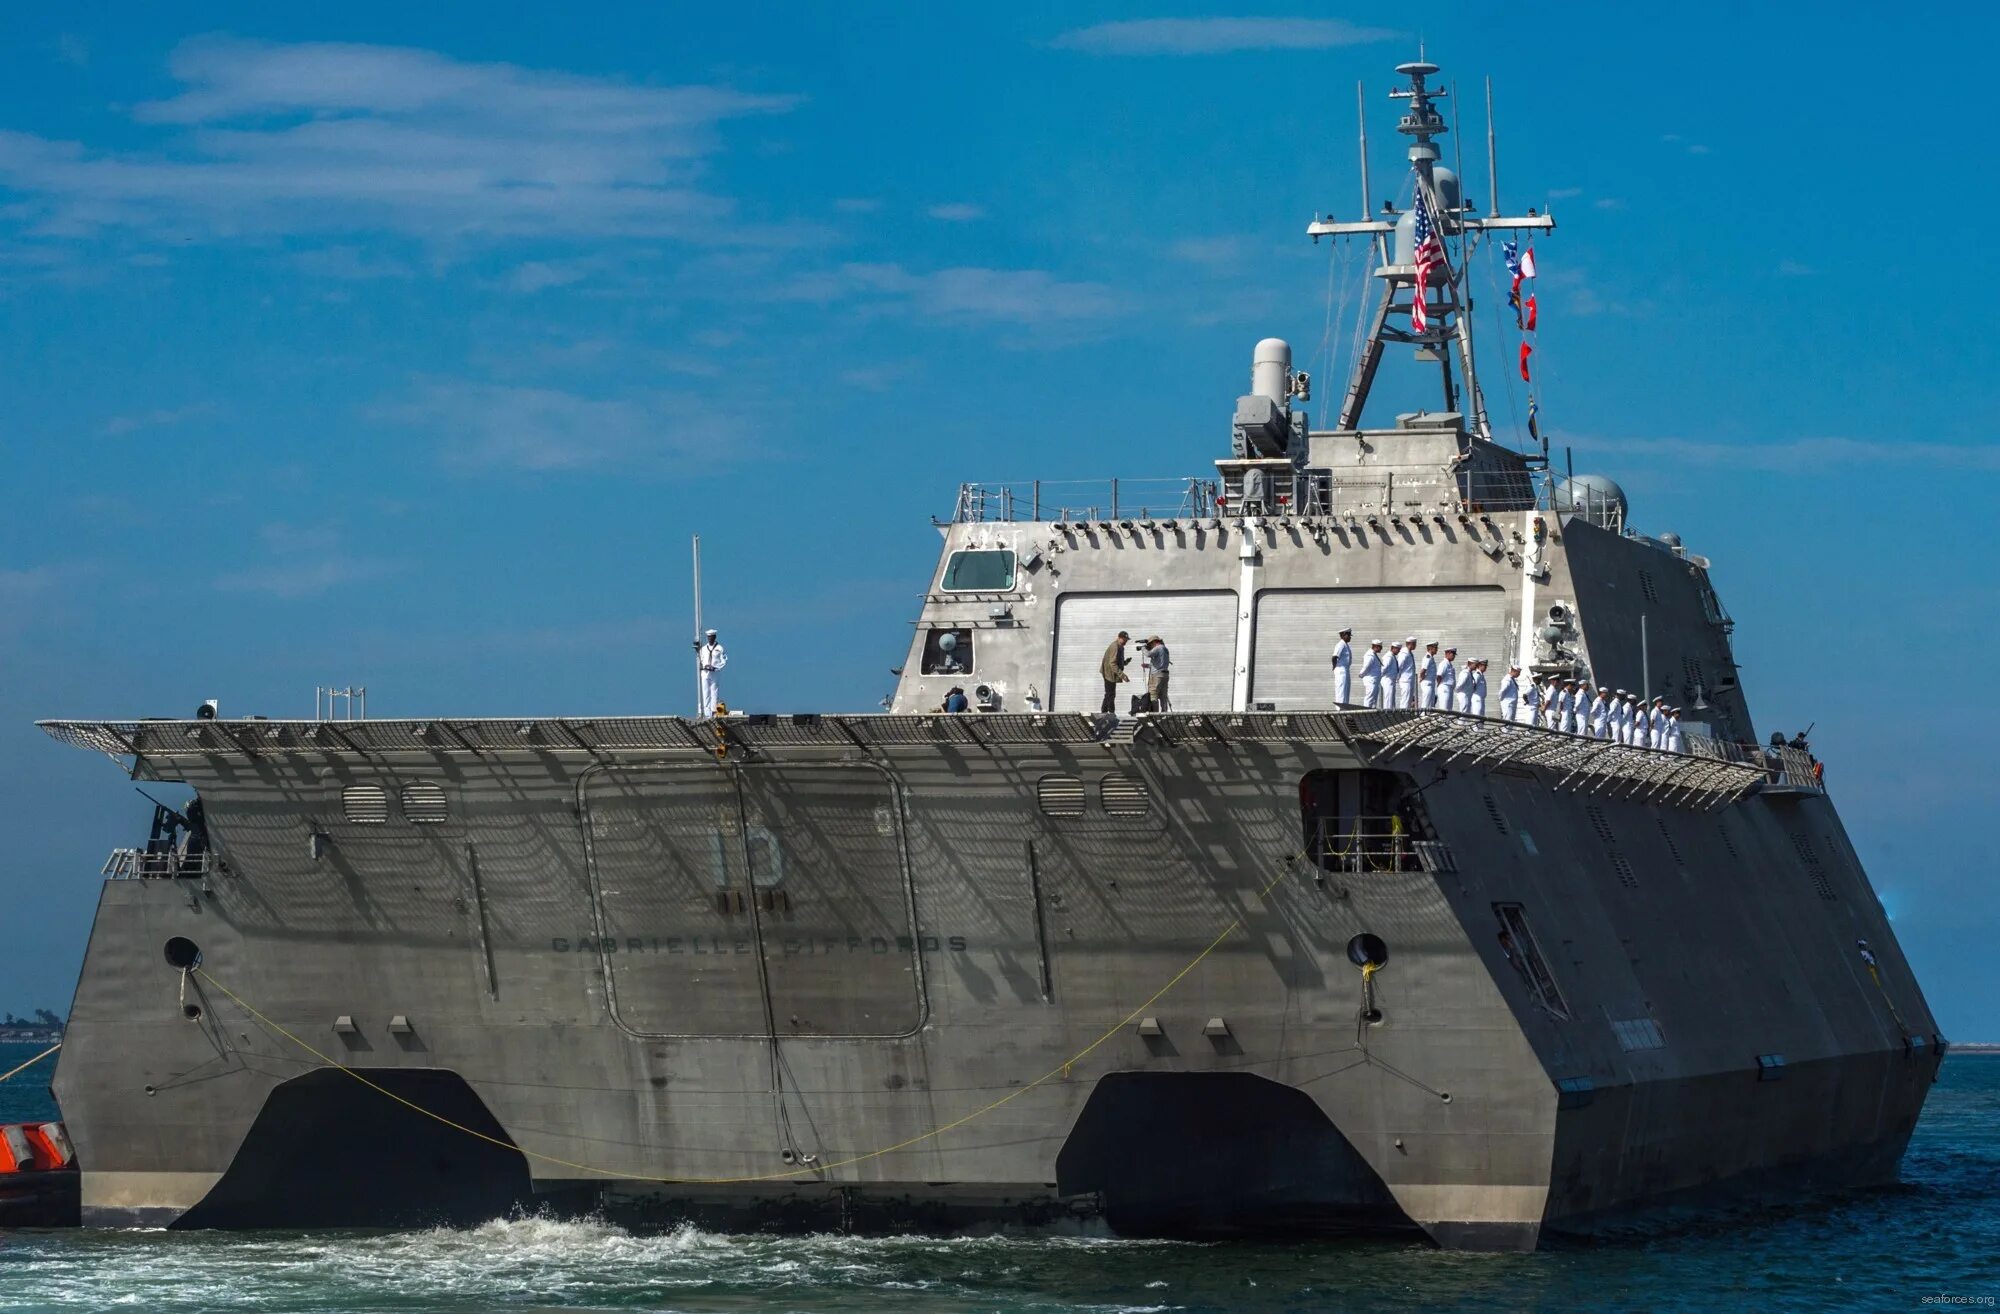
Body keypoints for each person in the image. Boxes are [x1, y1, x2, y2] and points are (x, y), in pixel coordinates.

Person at [695, 628, 727, 719]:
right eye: (709, 637)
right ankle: (707, 714)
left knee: (714, 691)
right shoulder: (703, 649)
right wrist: (702, 666)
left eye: (712, 637)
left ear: (715, 637)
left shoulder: (719, 648)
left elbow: (724, 660)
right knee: (706, 693)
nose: (710, 639)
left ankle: (713, 712)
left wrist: (715, 668)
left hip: (714, 673)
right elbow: (700, 660)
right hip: (705, 673)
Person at [1100, 631, 1132, 714]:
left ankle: (1104, 712)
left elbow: (1116, 661)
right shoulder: (1115, 646)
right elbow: (1112, 663)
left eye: (1126, 640)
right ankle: (1111, 713)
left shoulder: (1120, 646)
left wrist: (1125, 662)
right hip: (1108, 673)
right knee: (1111, 694)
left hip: (1111, 673)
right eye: (1124, 640)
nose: (1125, 641)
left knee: (1109, 694)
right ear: (1119, 637)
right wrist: (1123, 675)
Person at [1144, 635, 1172, 713]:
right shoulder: (1164, 648)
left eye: (1150, 644)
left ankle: (1155, 715)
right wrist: (1148, 666)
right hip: (1164, 674)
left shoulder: (1158, 647)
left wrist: (1143, 648)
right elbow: (1161, 664)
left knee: (1153, 695)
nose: (1150, 646)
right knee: (1163, 695)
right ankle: (1164, 713)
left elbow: (1148, 654)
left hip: (1157, 676)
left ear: (1154, 642)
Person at [1359, 640, 1385, 708]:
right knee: (1369, 698)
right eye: (1380, 647)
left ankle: (1372, 714)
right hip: (1371, 680)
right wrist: (1361, 674)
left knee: (1373, 700)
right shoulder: (1370, 655)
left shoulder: (1373, 654)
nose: (1381, 649)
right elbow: (1366, 666)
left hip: (1375, 681)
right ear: (1376, 646)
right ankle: (1366, 714)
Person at [1331, 627, 1354, 705]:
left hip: (1345, 669)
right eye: (1349, 635)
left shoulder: (1345, 645)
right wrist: (1334, 668)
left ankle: (1345, 710)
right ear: (1344, 635)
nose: (1350, 637)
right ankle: (1339, 712)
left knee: (1346, 691)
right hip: (1341, 670)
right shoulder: (1340, 644)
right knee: (1341, 691)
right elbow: (1334, 657)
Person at [1395, 636, 1418, 708]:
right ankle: (1403, 714)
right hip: (1405, 680)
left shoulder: (1409, 653)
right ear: (1410, 644)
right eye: (1414, 644)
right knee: (1405, 699)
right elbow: (1399, 666)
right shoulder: (1404, 653)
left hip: (1410, 679)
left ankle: (1406, 713)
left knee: (1409, 699)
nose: (1415, 646)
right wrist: (1397, 677)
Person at [1417, 641, 1440, 710]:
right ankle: (1423, 716)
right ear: (1430, 648)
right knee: (1426, 702)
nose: (1437, 649)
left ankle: (1427, 716)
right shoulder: (1427, 657)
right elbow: (1423, 670)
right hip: (1427, 683)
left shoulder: (1431, 658)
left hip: (1431, 683)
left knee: (1431, 702)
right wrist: (1421, 678)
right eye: (1435, 648)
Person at [1435, 646, 1458, 713]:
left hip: (1449, 689)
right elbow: (1439, 676)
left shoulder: (1449, 664)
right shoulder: (1444, 663)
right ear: (1447, 653)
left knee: (1448, 710)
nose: (1454, 656)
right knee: (1444, 708)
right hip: (1444, 688)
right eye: (1453, 654)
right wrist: (1439, 684)